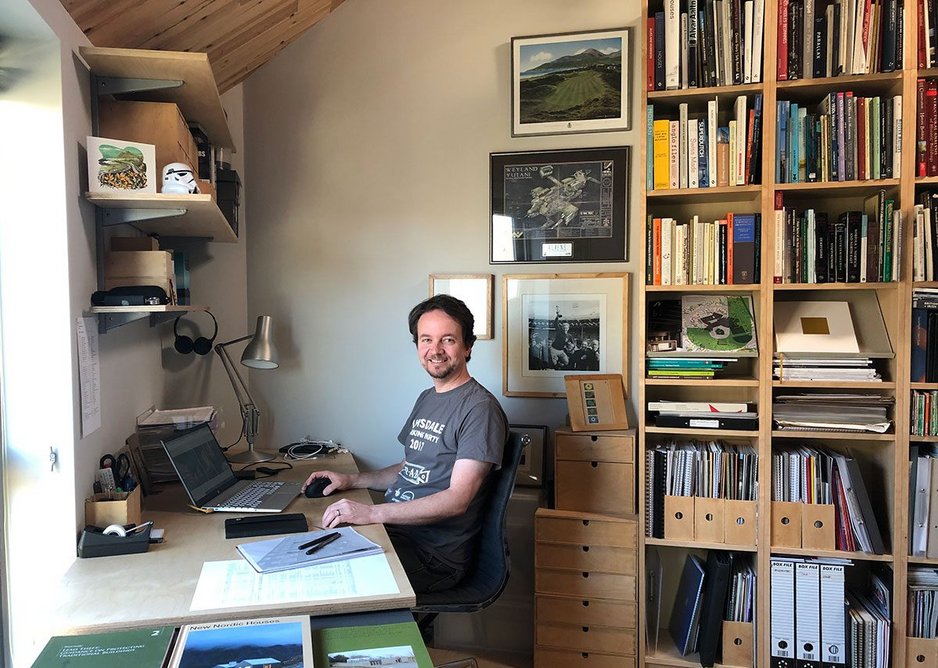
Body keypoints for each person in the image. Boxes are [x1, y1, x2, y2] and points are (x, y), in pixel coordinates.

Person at [302, 294, 508, 594]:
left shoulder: (479, 409)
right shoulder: (428, 398)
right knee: (303, 543)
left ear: (467, 346)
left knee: (321, 579)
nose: (434, 350)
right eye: (426, 340)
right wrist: (351, 480)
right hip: (396, 534)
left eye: (447, 340)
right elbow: (408, 467)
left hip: (432, 556)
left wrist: (371, 514)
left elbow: (458, 498)